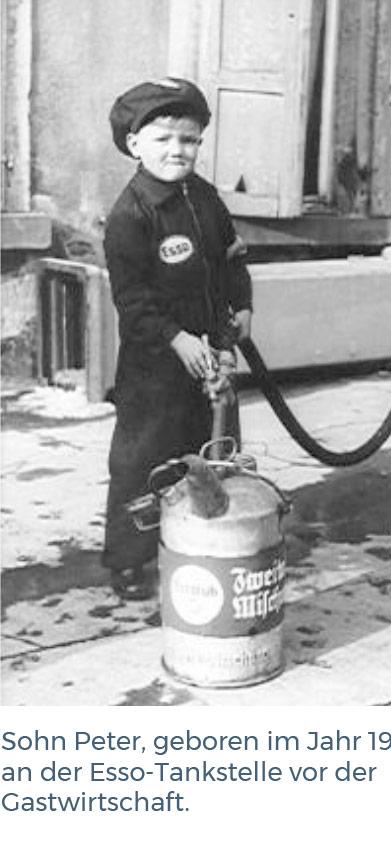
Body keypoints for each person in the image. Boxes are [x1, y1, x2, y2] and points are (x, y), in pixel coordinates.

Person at [103, 77, 253, 599]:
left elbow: (233, 259)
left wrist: (242, 309)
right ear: (134, 144)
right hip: (156, 366)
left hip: (211, 351)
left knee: (214, 452)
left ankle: (204, 541)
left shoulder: (205, 197)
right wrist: (177, 339)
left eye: (188, 140)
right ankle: (128, 559)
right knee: (144, 459)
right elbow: (134, 302)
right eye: (163, 138)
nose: (177, 150)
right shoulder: (131, 215)